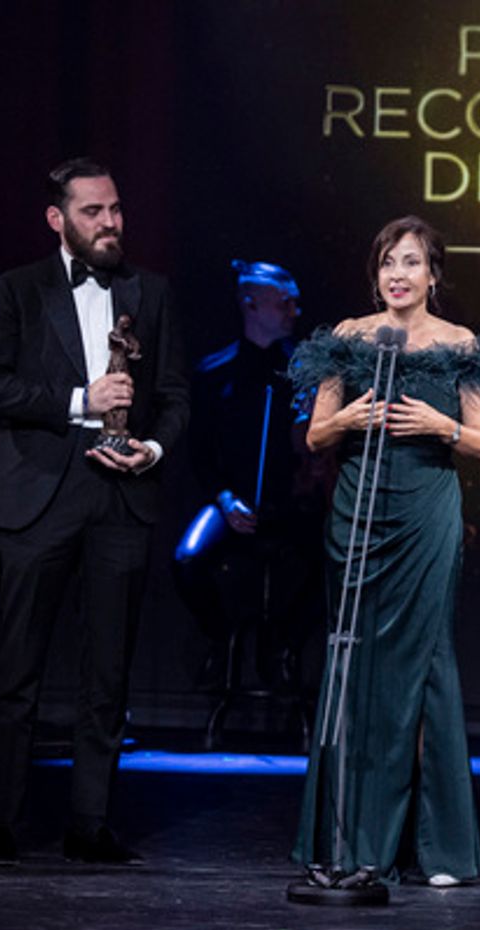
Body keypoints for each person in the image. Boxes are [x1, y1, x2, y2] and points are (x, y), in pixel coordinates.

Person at [287, 216, 480, 888]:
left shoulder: (461, 345)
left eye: (412, 262)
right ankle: (347, 838)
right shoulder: (349, 337)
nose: (399, 274)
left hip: (426, 511)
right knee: (354, 663)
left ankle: (442, 846)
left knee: (424, 664)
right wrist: (349, 418)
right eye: (388, 262)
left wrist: (438, 422)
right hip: (358, 513)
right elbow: (314, 436)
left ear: (434, 275)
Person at [0, 157, 189, 865]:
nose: (110, 222)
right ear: (57, 219)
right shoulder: (18, 290)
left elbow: (179, 396)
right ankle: (4, 818)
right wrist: (75, 403)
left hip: (120, 495)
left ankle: (89, 822)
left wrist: (150, 448)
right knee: (16, 668)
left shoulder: (150, 292)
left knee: (107, 673)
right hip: (39, 494)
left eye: (116, 208)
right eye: (93, 211)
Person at [175, 260, 326, 698]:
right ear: (250, 304)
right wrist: (224, 499)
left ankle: (283, 644)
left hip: (292, 504)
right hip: (232, 503)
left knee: (339, 566)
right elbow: (200, 453)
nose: (294, 312)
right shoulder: (213, 371)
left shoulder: (305, 368)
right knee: (186, 559)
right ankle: (220, 639)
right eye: (284, 303)